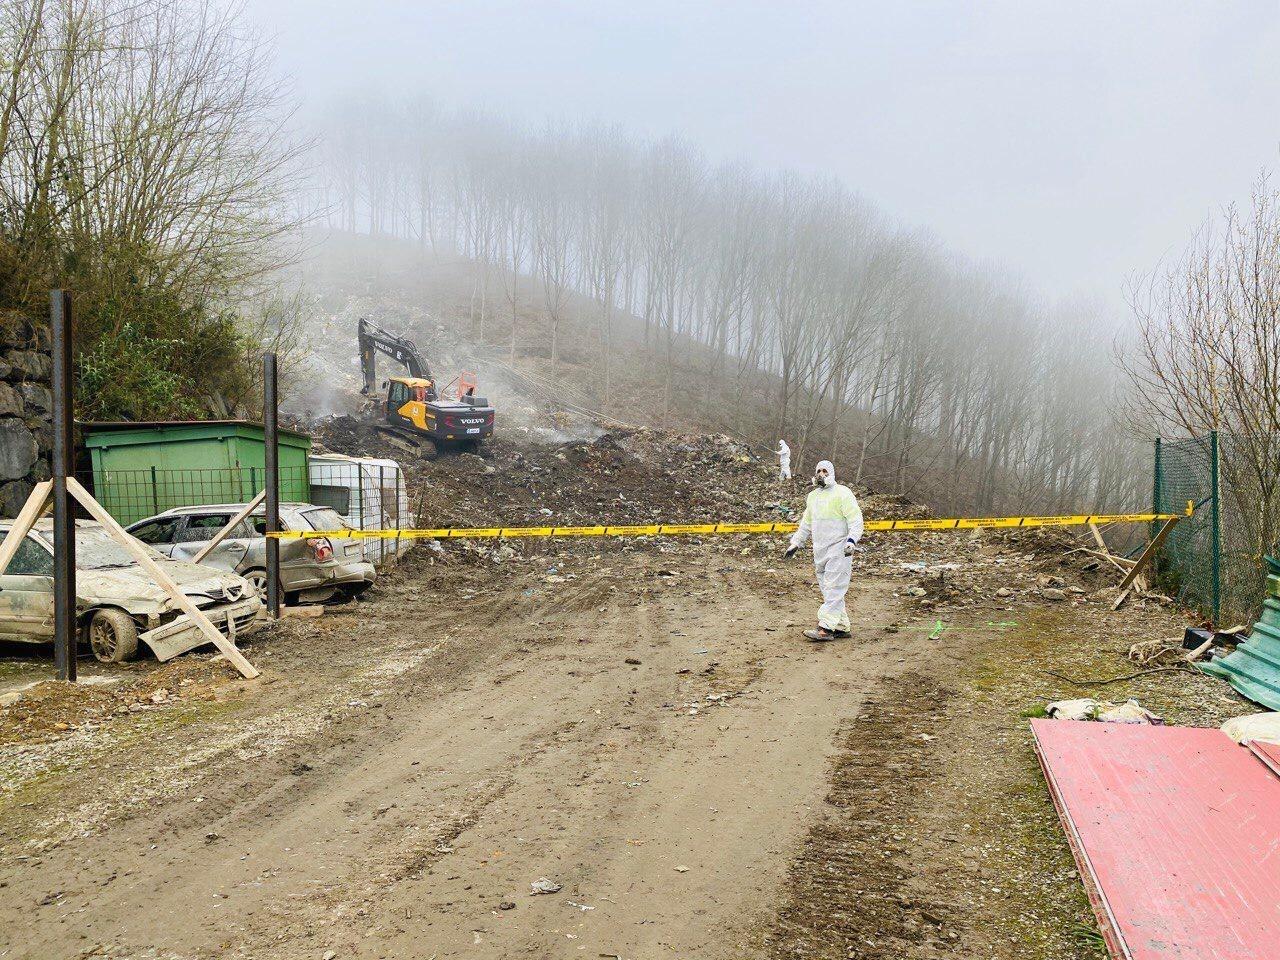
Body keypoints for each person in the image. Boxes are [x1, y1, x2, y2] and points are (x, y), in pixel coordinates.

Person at [784, 459, 863, 641]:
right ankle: (841, 626)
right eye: (818, 470)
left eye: (825, 471)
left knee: (834, 588)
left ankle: (825, 628)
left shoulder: (842, 493)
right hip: (819, 551)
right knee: (829, 590)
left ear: (832, 473)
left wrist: (851, 540)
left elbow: (855, 520)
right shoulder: (813, 497)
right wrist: (796, 543)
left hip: (839, 549)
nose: (821, 474)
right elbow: (806, 523)